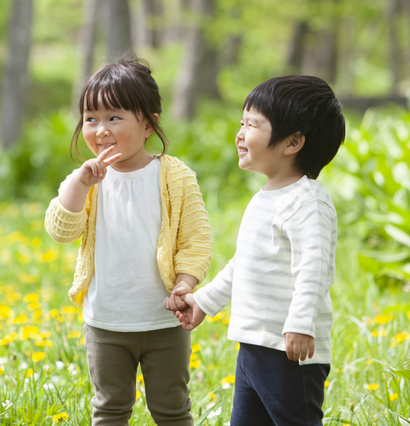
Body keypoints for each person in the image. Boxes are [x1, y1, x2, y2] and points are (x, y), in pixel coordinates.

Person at [165, 75, 345, 426]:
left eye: (252, 124)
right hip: (253, 344)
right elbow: (244, 264)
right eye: (242, 122)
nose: (240, 134)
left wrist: (300, 323)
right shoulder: (264, 199)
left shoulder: (307, 202)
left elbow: (313, 268)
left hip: (289, 351)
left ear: (293, 142)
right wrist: (204, 301)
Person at [45, 56, 213, 426]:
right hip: (106, 321)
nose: (100, 129)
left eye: (114, 117)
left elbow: (196, 238)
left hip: (164, 321)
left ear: (149, 124)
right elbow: (61, 230)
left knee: (172, 410)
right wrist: (78, 185)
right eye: (91, 119)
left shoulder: (175, 176)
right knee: (109, 409)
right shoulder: (85, 182)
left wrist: (185, 283)